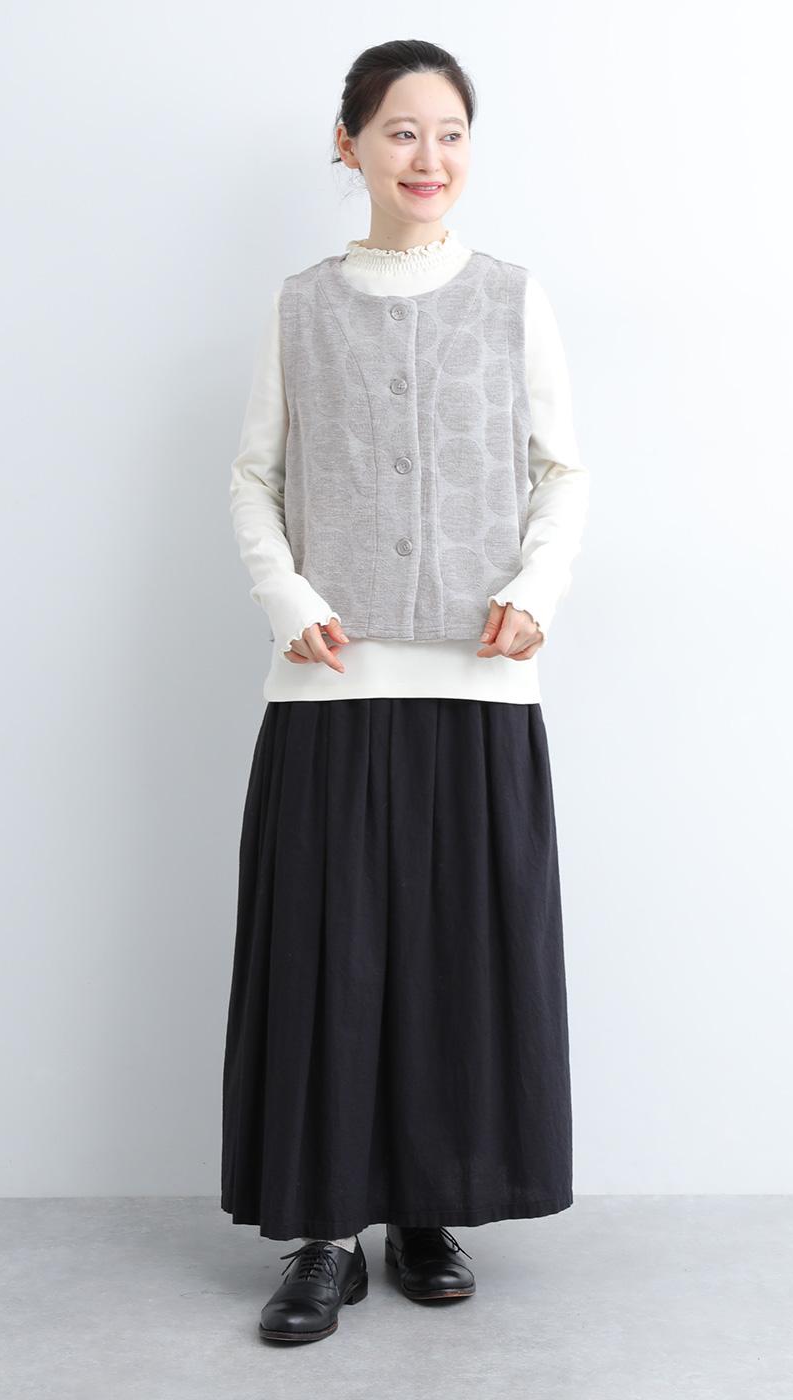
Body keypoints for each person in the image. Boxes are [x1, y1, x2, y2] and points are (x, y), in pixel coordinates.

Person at [220, 38, 591, 1344]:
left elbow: (563, 470)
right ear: (350, 145)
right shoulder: (299, 307)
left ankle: (429, 1207)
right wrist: (291, 599)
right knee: (332, 960)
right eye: (400, 131)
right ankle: (325, 1233)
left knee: (453, 963)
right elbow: (254, 478)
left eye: (450, 133)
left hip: (483, 684)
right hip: (330, 686)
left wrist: (536, 589)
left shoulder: (515, 298)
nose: (428, 157)